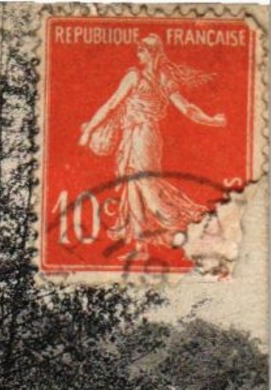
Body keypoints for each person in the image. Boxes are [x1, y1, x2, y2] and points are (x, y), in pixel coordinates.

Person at [79, 34, 228, 259]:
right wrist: (211, 119)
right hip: (133, 135)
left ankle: (195, 226)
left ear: (152, 53)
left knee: (148, 189)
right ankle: (140, 249)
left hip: (143, 135)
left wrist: (89, 130)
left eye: (142, 50)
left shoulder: (139, 77)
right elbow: (186, 108)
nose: (138, 54)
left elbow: (112, 105)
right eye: (138, 50)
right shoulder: (160, 78)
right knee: (133, 190)